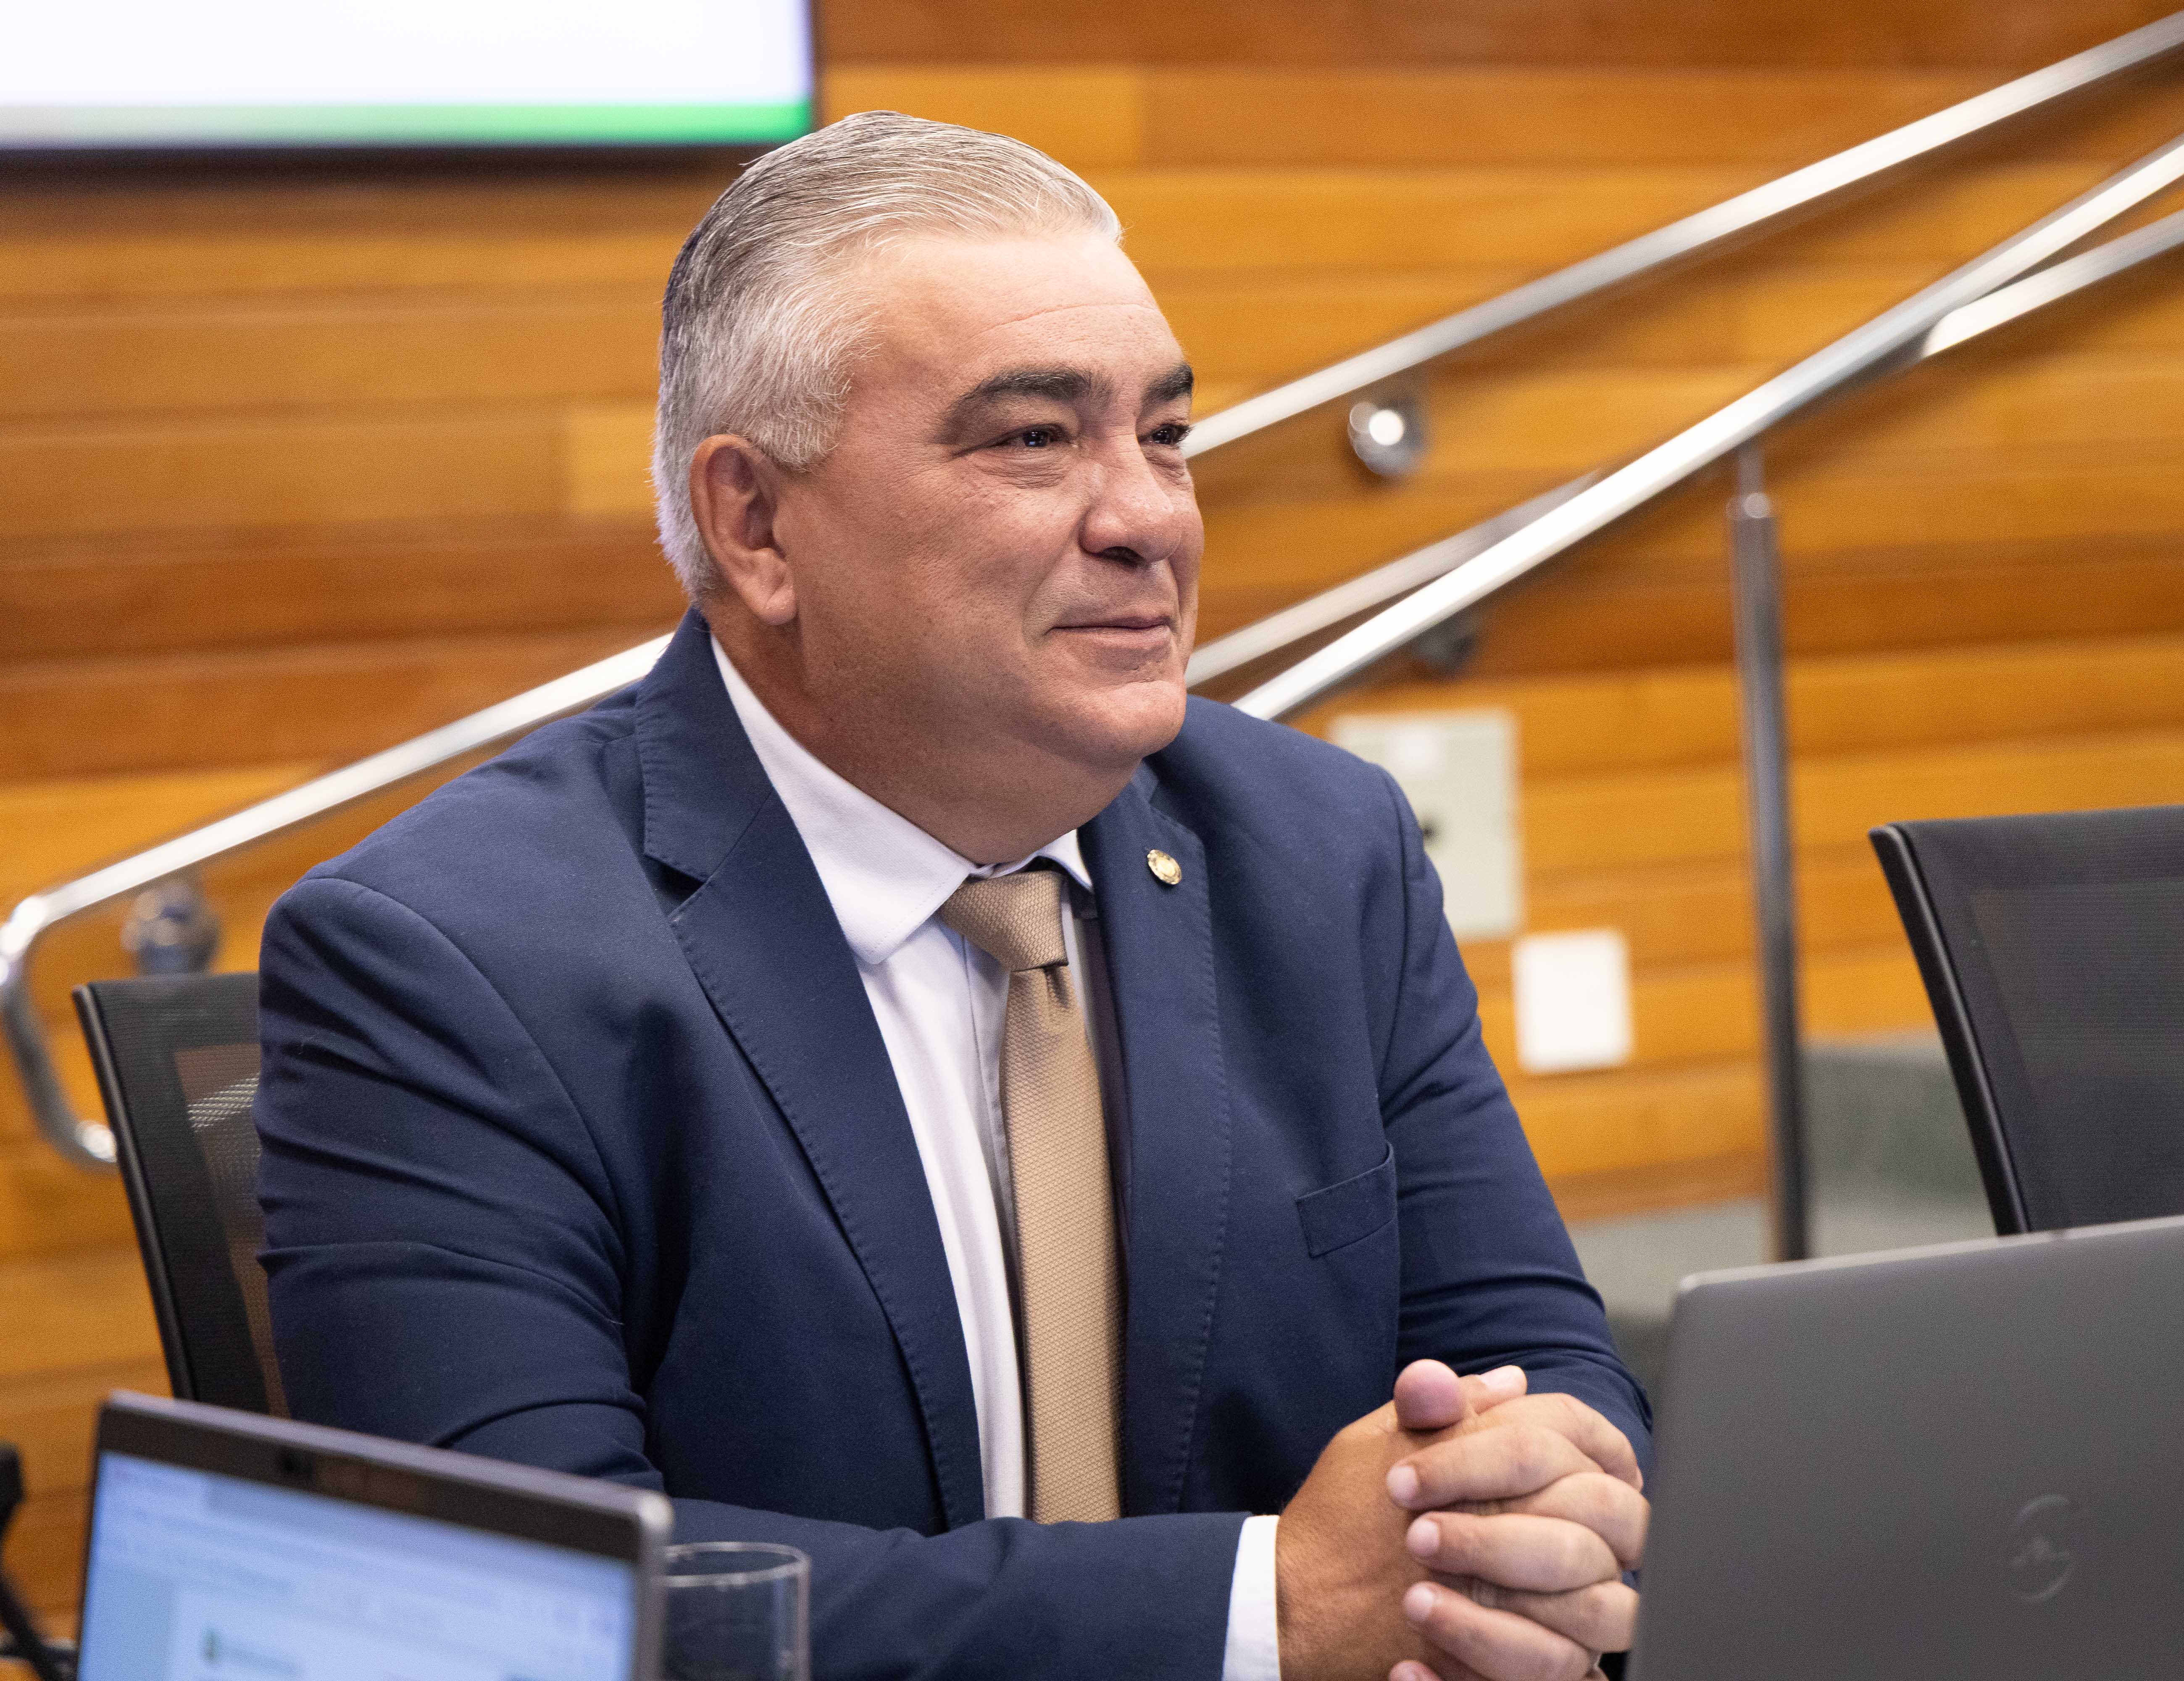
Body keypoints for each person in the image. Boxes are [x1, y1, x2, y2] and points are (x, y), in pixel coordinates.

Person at [255, 111, 1649, 1681]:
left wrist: (1531, 1514)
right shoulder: (447, 959)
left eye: (1167, 433)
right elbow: (522, 1605)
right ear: (755, 524)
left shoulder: (1324, 852)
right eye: (1034, 440)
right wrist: (1256, 1611)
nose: (1149, 518)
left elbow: (1546, 1371)